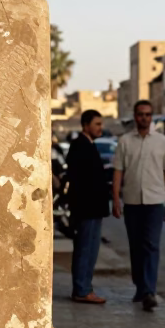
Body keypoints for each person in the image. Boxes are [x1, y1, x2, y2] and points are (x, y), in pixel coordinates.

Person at [112, 100, 165, 311]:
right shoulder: (125, 141)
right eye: (140, 114)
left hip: (155, 201)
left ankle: (149, 291)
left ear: (152, 116)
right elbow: (118, 171)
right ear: (135, 116)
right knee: (136, 247)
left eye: (148, 114)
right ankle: (141, 287)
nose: (144, 118)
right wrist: (115, 199)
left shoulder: (162, 141)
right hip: (132, 201)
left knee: (151, 245)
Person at [66, 110, 110, 304]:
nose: (100, 128)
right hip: (87, 209)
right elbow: (80, 180)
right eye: (97, 124)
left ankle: (84, 287)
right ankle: (82, 290)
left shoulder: (88, 145)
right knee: (85, 249)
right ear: (86, 125)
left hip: (93, 208)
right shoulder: (80, 146)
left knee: (90, 249)